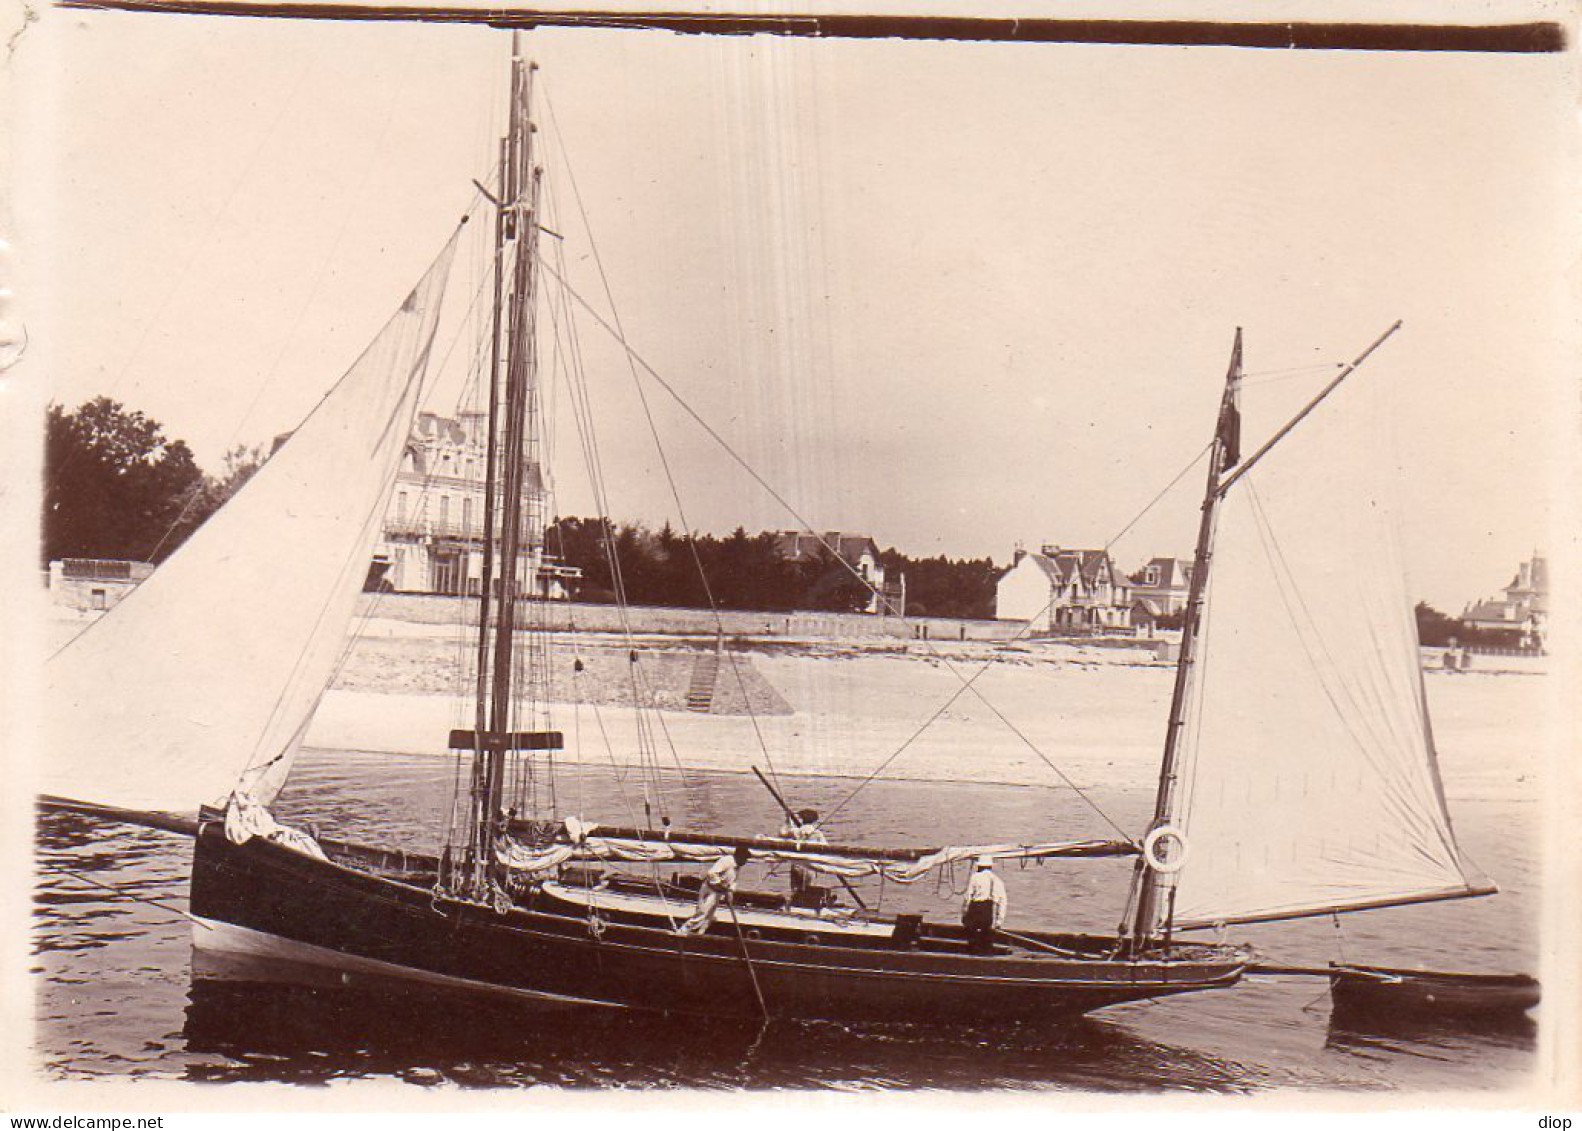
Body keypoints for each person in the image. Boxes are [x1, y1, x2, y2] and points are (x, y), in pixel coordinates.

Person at [680, 845, 752, 935]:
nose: (746, 861)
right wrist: (720, 884)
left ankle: (700, 934)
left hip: (719, 892)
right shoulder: (726, 861)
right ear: (739, 856)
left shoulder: (737, 866)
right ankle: (682, 931)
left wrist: (730, 892)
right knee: (702, 913)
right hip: (710, 889)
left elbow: (733, 881)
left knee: (709, 917)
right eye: (745, 859)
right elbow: (712, 873)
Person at [779, 807, 829, 906]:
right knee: (808, 889)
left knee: (795, 890)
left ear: (802, 819)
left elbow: (782, 833)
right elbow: (826, 848)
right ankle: (806, 908)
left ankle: (792, 907)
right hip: (810, 866)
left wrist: (788, 821)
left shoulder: (797, 831)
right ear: (815, 821)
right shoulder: (817, 834)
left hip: (797, 865)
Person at [961, 856, 1007, 954]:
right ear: (990, 867)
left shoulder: (974, 877)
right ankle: (985, 957)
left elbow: (967, 898)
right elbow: (1002, 903)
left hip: (974, 911)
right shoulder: (997, 880)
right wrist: (999, 922)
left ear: (979, 866)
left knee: (972, 940)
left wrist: (964, 915)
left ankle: (971, 957)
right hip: (988, 912)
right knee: (986, 939)